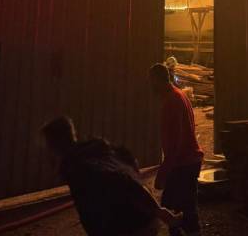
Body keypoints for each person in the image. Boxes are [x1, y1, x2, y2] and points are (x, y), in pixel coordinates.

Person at [40, 116, 177, 236]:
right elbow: (128, 162)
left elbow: (122, 179)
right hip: (136, 222)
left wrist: (157, 210)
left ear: (54, 144)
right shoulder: (92, 152)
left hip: (131, 226)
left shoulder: (80, 166)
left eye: (48, 144)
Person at [149, 63, 204, 235]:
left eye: (151, 81)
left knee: (179, 210)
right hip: (188, 161)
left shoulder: (171, 102)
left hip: (183, 164)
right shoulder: (180, 95)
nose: (150, 86)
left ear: (157, 80)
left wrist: (163, 172)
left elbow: (174, 143)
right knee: (178, 209)